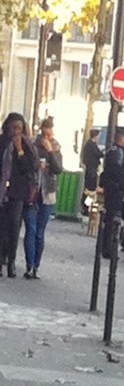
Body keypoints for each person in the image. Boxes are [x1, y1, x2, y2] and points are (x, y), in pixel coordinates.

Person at [23, 116, 63, 279]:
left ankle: (36, 266)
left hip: (47, 194)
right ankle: (29, 264)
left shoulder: (56, 147)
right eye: (47, 130)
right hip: (32, 192)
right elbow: (27, 166)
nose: (49, 133)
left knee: (40, 231)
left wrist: (51, 152)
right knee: (31, 230)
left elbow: (58, 169)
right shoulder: (32, 146)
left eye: (51, 130)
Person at [0, 113, 39, 278]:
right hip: (2, 191)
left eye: (19, 128)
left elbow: (30, 168)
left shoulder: (27, 146)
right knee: (2, 228)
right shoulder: (2, 142)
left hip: (18, 192)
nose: (16, 131)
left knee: (14, 227)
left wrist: (20, 150)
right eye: (13, 127)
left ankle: (11, 261)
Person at [100, 125, 124, 256]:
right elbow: (119, 173)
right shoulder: (118, 153)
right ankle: (108, 248)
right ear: (123, 138)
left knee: (110, 219)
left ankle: (107, 246)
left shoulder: (112, 151)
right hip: (116, 191)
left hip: (111, 189)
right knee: (113, 220)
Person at [81, 127, 103, 211]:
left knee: (89, 189)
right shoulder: (92, 145)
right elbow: (99, 154)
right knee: (90, 190)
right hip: (92, 170)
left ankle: (86, 206)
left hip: (90, 169)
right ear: (96, 136)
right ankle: (86, 207)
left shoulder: (89, 144)